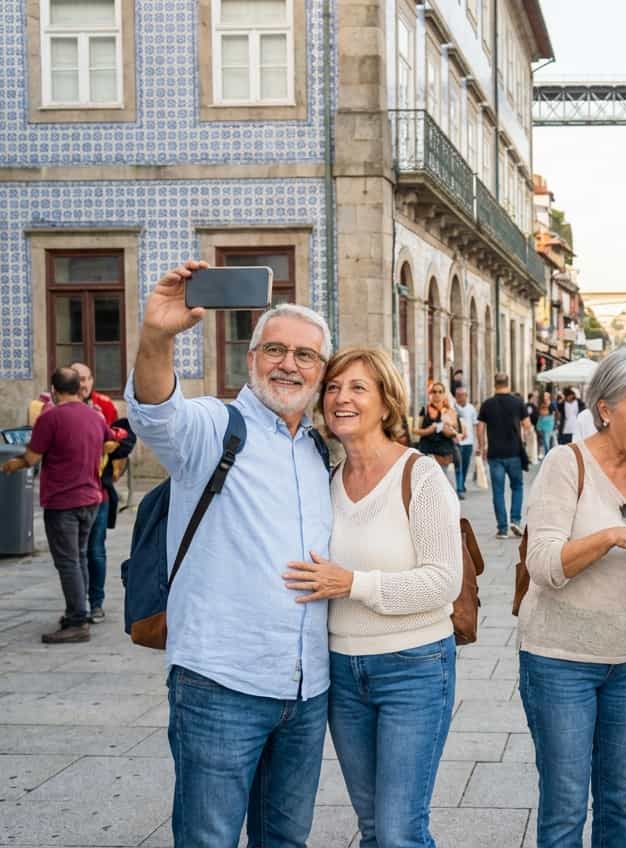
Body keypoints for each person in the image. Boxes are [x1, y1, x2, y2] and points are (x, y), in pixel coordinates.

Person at [125, 260, 333, 845]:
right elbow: (157, 411)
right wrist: (157, 336)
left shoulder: (320, 452)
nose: (288, 364)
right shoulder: (217, 428)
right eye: (275, 349)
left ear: (320, 371)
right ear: (251, 358)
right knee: (207, 839)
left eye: (305, 355)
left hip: (306, 688)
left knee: (286, 841)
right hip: (220, 683)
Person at [284, 347, 462, 846]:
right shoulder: (327, 481)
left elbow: (443, 581)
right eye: (334, 389)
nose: (342, 398)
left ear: (386, 403)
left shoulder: (419, 475)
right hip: (342, 671)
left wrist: (353, 584)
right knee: (371, 826)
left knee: (400, 830)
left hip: (415, 667)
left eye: (358, 388)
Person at [520, 348, 626, 848]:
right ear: (605, 409)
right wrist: (610, 536)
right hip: (560, 660)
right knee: (566, 806)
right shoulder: (565, 465)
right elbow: (542, 566)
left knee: (619, 802)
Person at [2, 367, 116, 643]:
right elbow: (109, 442)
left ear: (53, 390)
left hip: (63, 501)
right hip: (91, 499)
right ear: (79, 387)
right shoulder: (95, 416)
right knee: (79, 557)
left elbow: (31, 458)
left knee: (68, 562)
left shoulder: (49, 417)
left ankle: (77, 620)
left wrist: (9, 466)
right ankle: (80, 611)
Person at [71, 362, 118, 623]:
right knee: (73, 554)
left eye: (87, 378)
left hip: (99, 492)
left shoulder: (105, 406)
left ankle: (96, 602)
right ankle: (78, 605)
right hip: (70, 494)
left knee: (95, 550)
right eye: (79, 379)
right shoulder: (59, 407)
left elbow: (123, 442)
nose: (84, 384)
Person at [478, 373, 532, 539]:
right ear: (508, 383)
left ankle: (502, 529)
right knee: (517, 487)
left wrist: (482, 447)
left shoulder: (487, 404)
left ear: (495, 384)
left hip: (495, 454)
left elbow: (480, 428)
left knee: (498, 491)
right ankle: (515, 520)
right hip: (514, 452)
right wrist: (524, 441)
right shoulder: (517, 403)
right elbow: (527, 426)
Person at [414, 383, 459, 479]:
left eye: (440, 392)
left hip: (444, 453)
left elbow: (454, 432)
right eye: (434, 391)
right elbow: (416, 430)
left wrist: (445, 428)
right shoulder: (425, 410)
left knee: (444, 484)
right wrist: (429, 430)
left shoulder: (449, 410)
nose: (437, 394)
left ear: (444, 394)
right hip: (427, 451)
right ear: (430, 394)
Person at [453, 385, 478, 499]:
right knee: (459, 465)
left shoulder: (471, 408)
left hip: (469, 441)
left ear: (466, 396)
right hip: (457, 442)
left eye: (463, 395)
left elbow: (475, 425)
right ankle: (459, 488)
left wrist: (478, 443)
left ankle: (461, 484)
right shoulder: (452, 408)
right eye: (458, 395)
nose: (461, 398)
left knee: (466, 464)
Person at [536, 389, 557, 456]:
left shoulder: (552, 404)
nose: (544, 397)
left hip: (548, 424)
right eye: (544, 396)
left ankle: (548, 454)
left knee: (546, 440)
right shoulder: (541, 403)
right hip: (542, 423)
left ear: (549, 397)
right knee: (544, 440)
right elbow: (540, 413)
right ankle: (547, 454)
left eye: (546, 396)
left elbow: (553, 414)